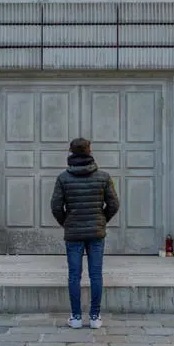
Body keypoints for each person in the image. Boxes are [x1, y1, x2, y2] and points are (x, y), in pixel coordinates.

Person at [50, 137, 119, 330]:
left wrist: (67, 223)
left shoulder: (63, 177)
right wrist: (101, 220)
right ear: (90, 151)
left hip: (73, 233)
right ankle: (95, 317)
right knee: (96, 274)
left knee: (74, 275)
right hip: (96, 233)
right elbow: (114, 204)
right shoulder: (103, 177)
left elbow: (55, 206)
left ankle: (76, 318)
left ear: (71, 152)